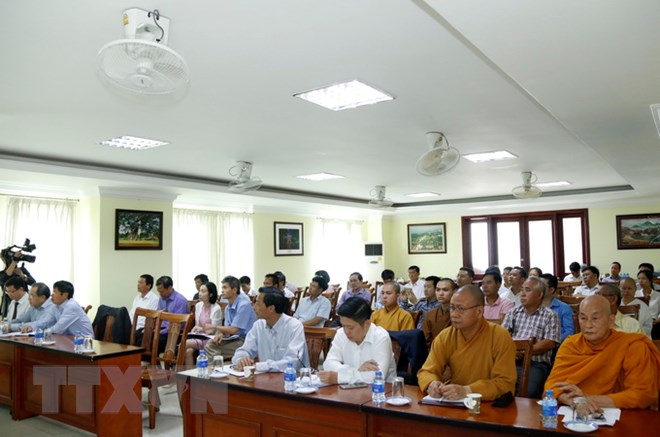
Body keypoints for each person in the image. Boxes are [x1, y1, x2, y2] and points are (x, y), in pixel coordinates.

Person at [545, 295, 660, 410]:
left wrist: (588, 399)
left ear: (611, 320)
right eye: (583, 318)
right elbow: (551, 386)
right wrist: (571, 400)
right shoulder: (571, 344)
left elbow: (642, 395)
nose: (588, 325)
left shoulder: (632, 346)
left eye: (595, 318)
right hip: (575, 413)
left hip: (623, 413)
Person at [417, 285, 516, 401]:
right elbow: (426, 371)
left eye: (461, 309)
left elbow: (505, 383)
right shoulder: (445, 336)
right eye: (452, 308)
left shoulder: (499, 336)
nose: (454, 314)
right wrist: (432, 383)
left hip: (488, 404)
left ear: (479, 311)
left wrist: (468, 390)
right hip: (453, 402)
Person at [502, 277, 559, 398]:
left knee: (529, 391)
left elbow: (549, 343)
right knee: (498, 386)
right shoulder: (513, 312)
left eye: (527, 290)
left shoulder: (550, 315)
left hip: (536, 364)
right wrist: (512, 352)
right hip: (511, 360)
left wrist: (524, 352)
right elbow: (502, 337)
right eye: (522, 289)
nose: (522, 293)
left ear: (539, 295)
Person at [319, 297, 396, 384]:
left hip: (381, 390)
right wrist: (356, 370)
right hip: (346, 389)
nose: (346, 331)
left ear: (367, 324)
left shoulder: (381, 337)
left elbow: (378, 376)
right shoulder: (341, 334)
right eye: (343, 326)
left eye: (350, 327)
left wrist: (340, 377)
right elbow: (328, 364)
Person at [232, 287, 309, 372]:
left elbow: (292, 362)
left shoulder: (294, 326)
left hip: (293, 377)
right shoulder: (258, 325)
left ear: (271, 309)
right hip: (265, 377)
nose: (254, 307)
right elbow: (245, 349)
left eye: (258, 304)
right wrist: (241, 359)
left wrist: (260, 366)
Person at [205, 275, 257, 361]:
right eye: (222, 288)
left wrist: (214, 327)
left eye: (225, 288)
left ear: (234, 290)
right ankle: (217, 366)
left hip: (246, 341)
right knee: (212, 343)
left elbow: (234, 330)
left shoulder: (244, 305)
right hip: (235, 339)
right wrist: (221, 334)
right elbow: (227, 329)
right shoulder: (228, 308)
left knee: (212, 347)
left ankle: (216, 366)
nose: (222, 291)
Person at [185, 282, 223, 366]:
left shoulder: (216, 308)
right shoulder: (198, 305)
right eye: (199, 291)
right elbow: (197, 324)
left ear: (210, 294)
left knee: (183, 344)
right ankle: (190, 374)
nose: (200, 293)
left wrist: (202, 329)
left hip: (210, 339)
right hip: (200, 336)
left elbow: (213, 330)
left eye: (203, 291)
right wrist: (196, 328)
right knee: (188, 351)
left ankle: (178, 369)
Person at [155, 276, 190, 351]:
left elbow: (179, 323)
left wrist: (160, 331)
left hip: (175, 332)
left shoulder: (180, 300)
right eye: (159, 291)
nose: (160, 294)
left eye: (162, 291)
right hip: (162, 329)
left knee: (157, 341)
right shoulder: (161, 299)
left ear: (170, 288)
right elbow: (158, 316)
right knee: (140, 336)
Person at [0, 250, 36, 319]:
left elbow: (33, 283)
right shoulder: (2, 273)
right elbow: (4, 278)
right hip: (9, 302)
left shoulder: (22, 270)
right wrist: (14, 261)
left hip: (24, 301)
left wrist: (22, 276)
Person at [539, 273, 574, 343]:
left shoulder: (564, 308)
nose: (537, 288)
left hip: (555, 344)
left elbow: (569, 331)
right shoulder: (532, 306)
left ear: (551, 289)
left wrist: (552, 340)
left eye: (541, 286)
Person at [422, 278, 456, 347]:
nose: (440, 293)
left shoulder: (460, 314)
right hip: (433, 350)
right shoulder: (430, 314)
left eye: (445, 290)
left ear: (454, 292)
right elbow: (425, 339)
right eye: (438, 290)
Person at [635, 269, 660, 338]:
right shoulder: (635, 294)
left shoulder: (658, 295)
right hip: (639, 322)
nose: (640, 281)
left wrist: (657, 320)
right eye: (639, 278)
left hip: (655, 323)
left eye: (643, 279)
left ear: (650, 280)